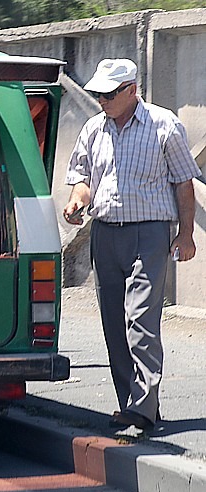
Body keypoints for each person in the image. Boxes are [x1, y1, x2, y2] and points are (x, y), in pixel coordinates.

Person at [63, 58, 202, 431]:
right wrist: (77, 202)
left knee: (140, 321)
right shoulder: (94, 129)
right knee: (113, 323)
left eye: (110, 94)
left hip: (149, 234)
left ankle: (142, 406)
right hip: (105, 234)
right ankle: (134, 404)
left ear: (132, 91)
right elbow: (83, 179)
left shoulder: (163, 124)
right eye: (98, 94)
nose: (103, 100)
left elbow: (183, 182)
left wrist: (185, 233)